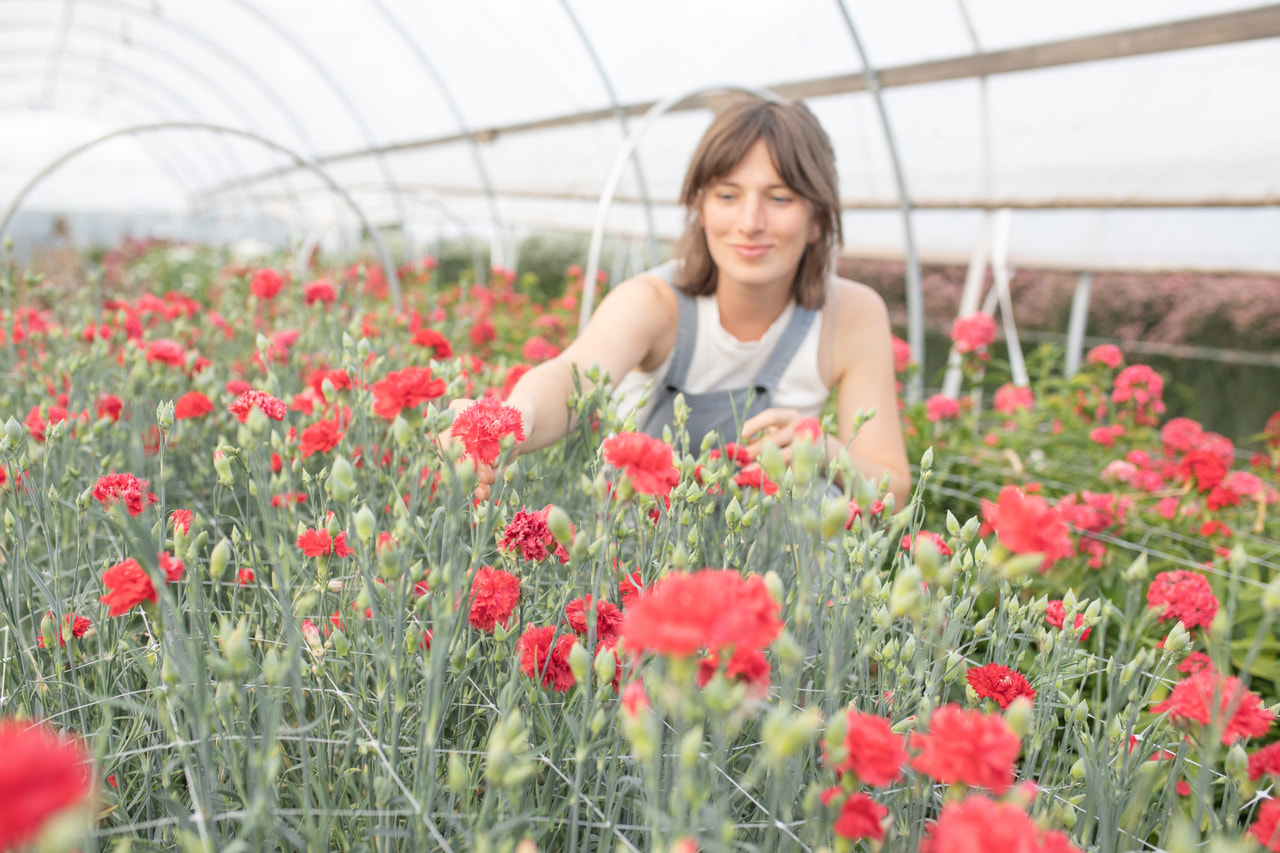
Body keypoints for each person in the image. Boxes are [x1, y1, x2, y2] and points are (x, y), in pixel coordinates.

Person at [455, 95, 910, 504]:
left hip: (776, 560)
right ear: (700, 207)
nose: (750, 222)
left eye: (780, 198)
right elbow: (571, 380)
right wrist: (511, 421)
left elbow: (895, 485)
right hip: (639, 558)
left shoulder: (851, 313)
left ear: (818, 218)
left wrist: (826, 452)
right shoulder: (653, 301)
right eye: (727, 195)